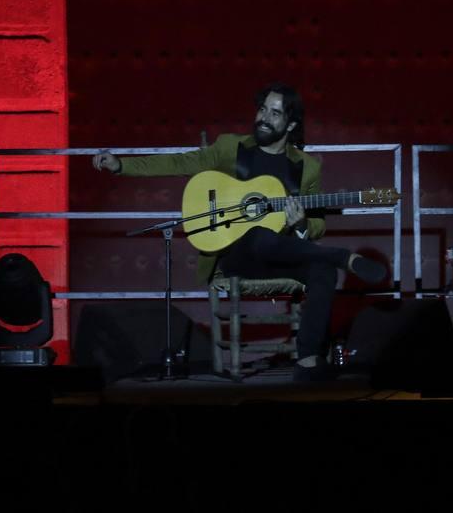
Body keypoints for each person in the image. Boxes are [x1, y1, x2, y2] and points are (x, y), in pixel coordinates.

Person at [92, 82, 386, 382]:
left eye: (275, 113)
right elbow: (180, 162)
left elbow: (318, 223)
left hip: (283, 252)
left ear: (291, 123)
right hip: (236, 255)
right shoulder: (230, 147)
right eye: (262, 109)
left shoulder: (307, 168)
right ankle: (342, 256)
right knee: (258, 235)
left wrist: (300, 226)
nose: (264, 118)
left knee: (323, 271)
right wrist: (121, 166)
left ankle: (308, 360)